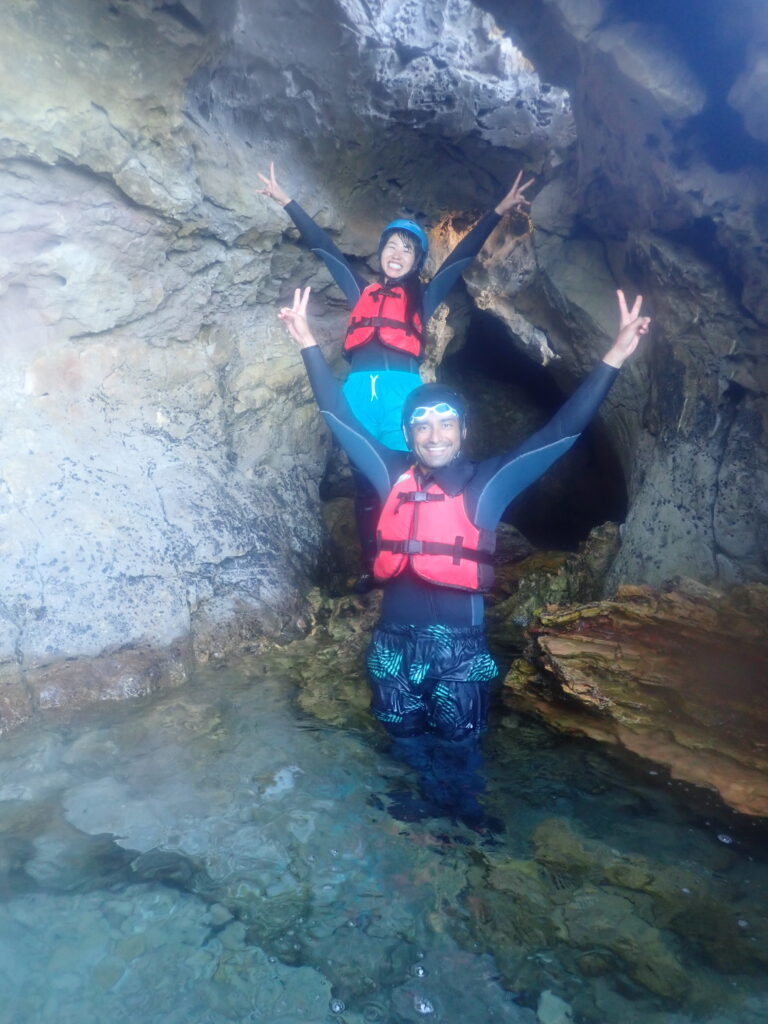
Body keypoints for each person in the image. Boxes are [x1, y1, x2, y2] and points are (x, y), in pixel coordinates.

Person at [278, 286, 650, 828]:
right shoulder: (390, 474)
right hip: (392, 648)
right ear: (408, 434)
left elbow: (562, 430)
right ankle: (414, 829)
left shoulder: (488, 484)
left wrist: (613, 356)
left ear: (462, 431)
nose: (433, 434)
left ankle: (463, 841)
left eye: (445, 422)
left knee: (459, 752)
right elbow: (338, 415)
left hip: (459, 652)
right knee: (402, 743)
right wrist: (309, 343)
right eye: (422, 425)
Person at [259, 162, 534, 591]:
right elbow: (324, 248)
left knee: (398, 477)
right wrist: (285, 200)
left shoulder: (423, 298)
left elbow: (461, 257)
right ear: (382, 251)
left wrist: (497, 211)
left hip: (400, 392)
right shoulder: (361, 290)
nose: (397, 253)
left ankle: (415, 559)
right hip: (357, 391)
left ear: (416, 261)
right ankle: (375, 567)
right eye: (392, 245)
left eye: (408, 249)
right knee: (363, 480)